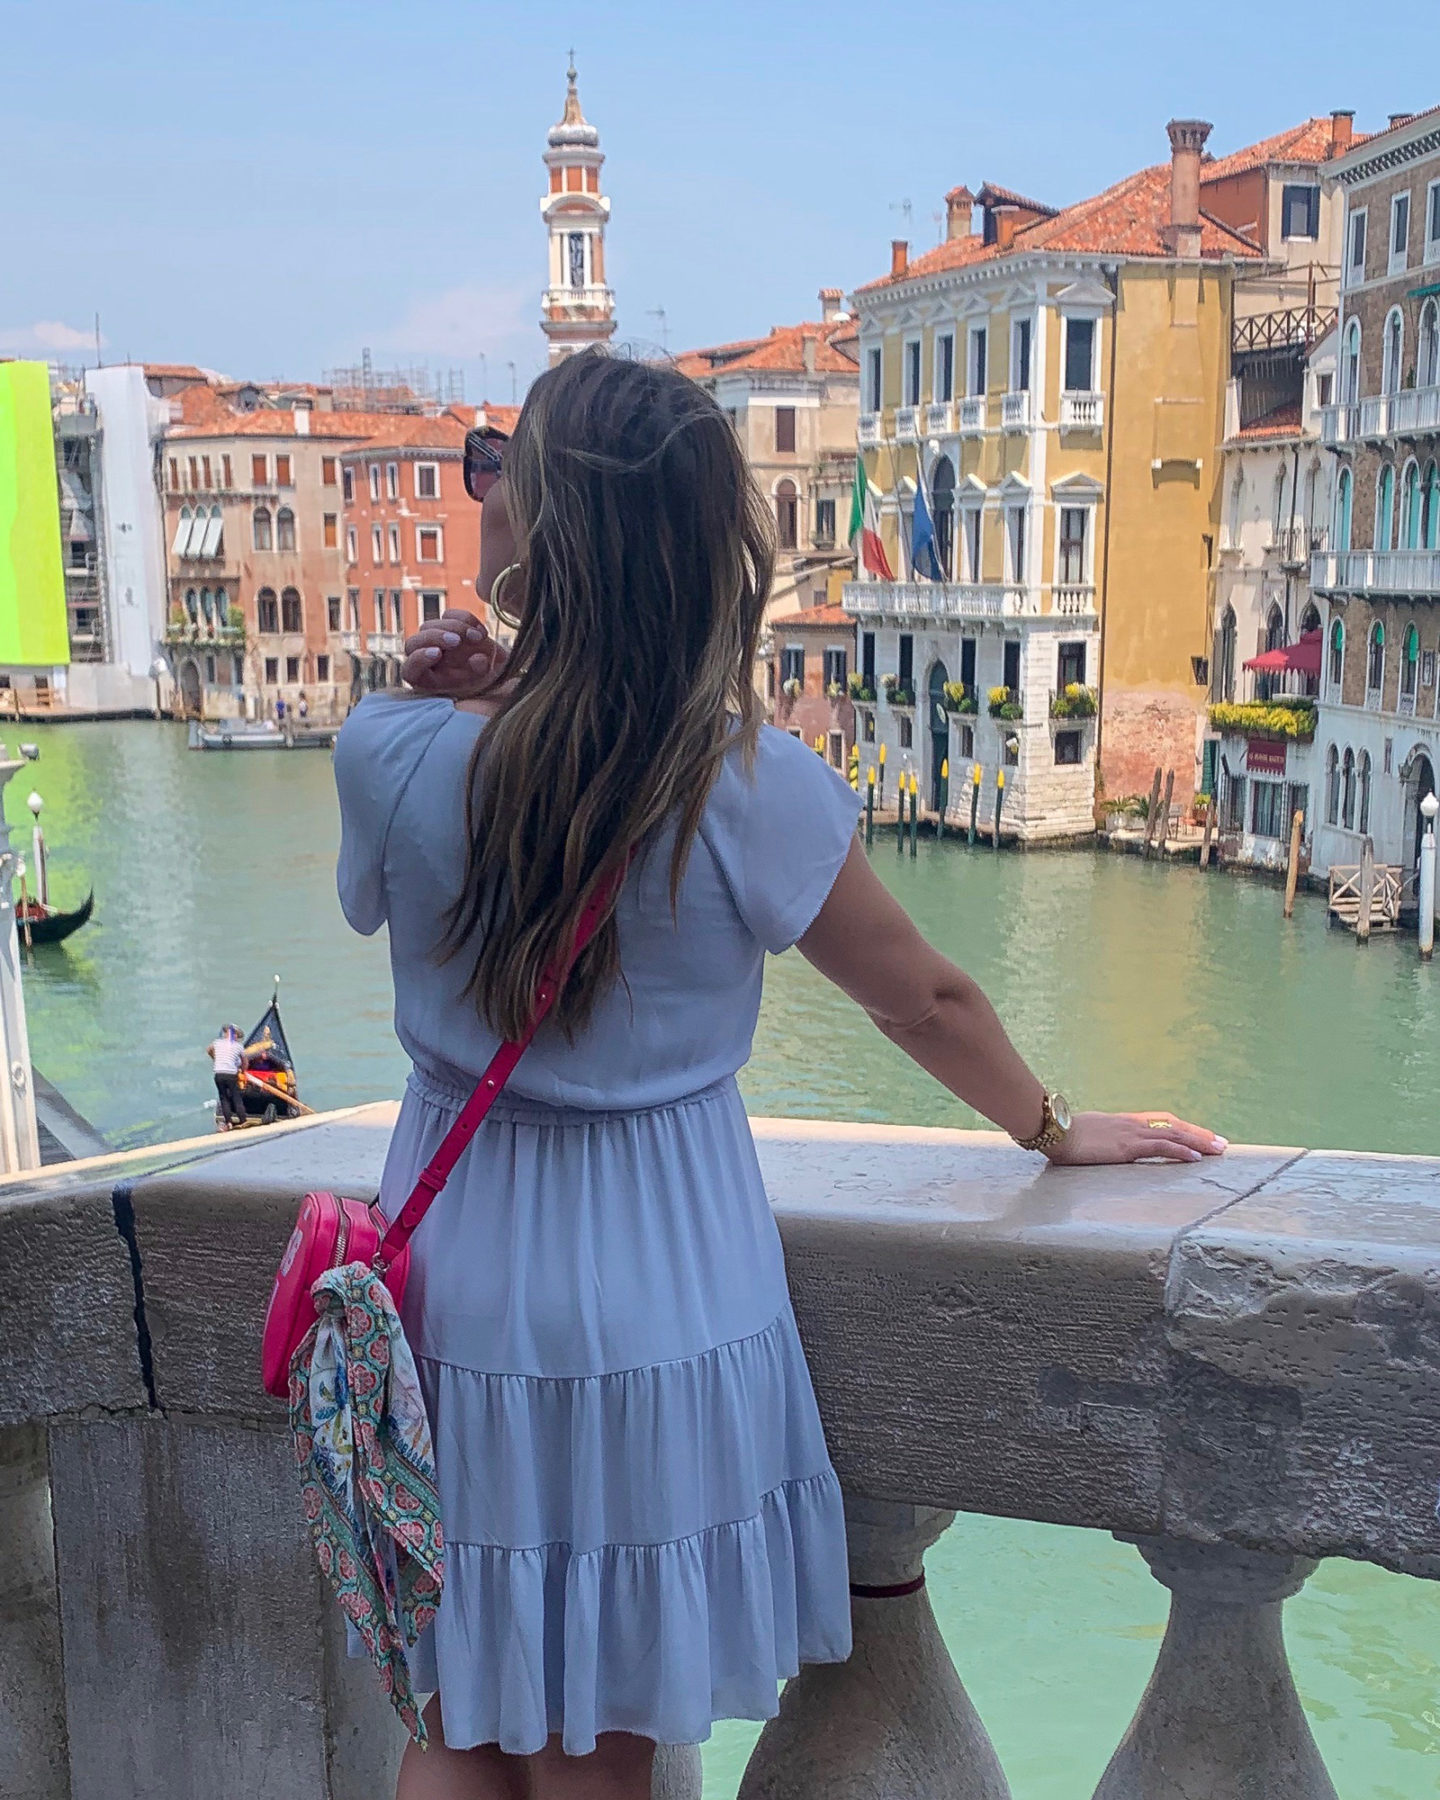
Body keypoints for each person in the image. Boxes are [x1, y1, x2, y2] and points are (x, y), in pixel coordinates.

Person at [333, 350, 1224, 1800]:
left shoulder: (386, 746)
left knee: (465, 1713)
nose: (478, 485)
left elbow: (419, 871)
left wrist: (475, 702)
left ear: (539, 532)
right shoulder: (751, 787)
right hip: (657, 1297)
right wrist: (1057, 1129)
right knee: (602, 1741)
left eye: (499, 467)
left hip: (454, 1283)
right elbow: (923, 1001)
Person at [207, 1024, 248, 1129]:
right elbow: (245, 1062)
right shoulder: (238, 1046)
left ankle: (228, 1122)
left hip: (219, 1073)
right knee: (236, 1097)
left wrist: (215, 1058)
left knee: (224, 1098)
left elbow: (209, 1049)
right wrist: (243, 1071)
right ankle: (243, 1121)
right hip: (231, 1074)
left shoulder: (217, 1043)